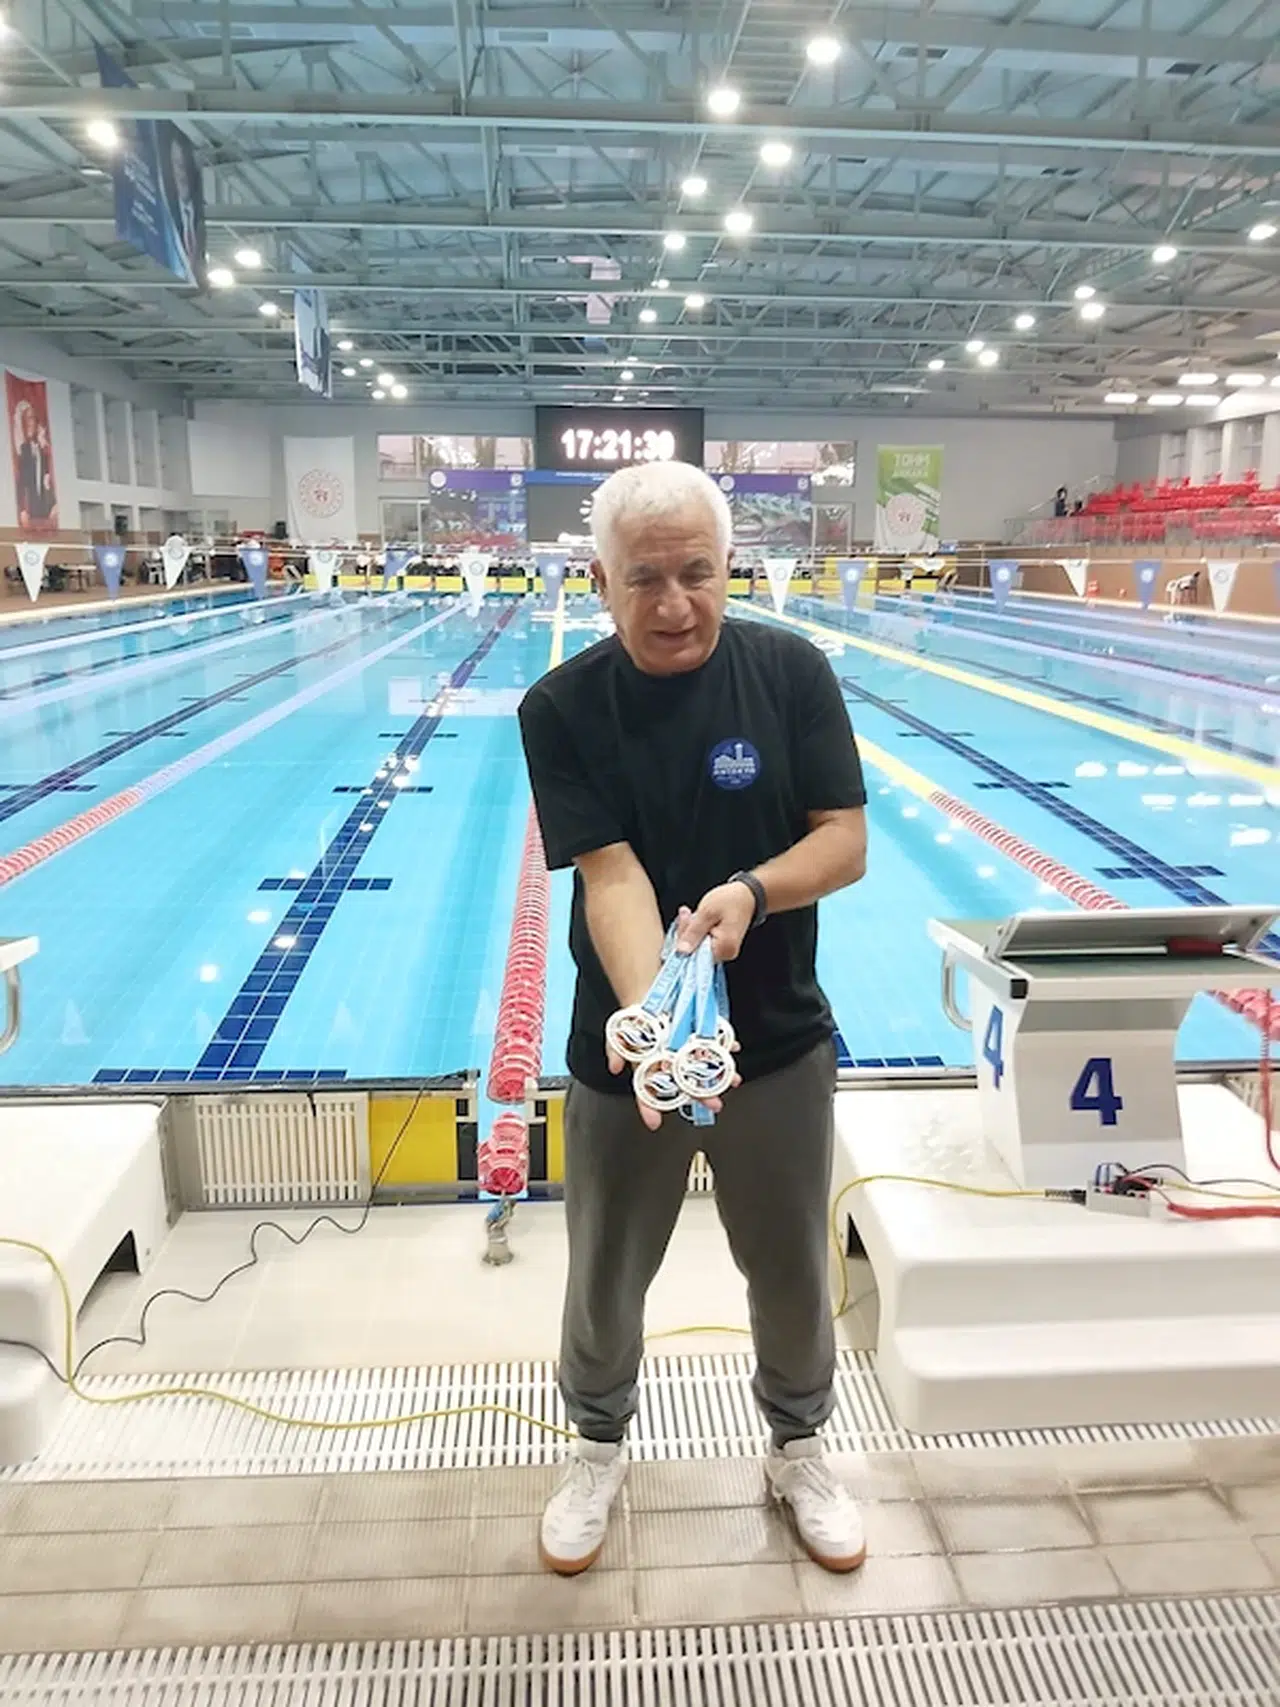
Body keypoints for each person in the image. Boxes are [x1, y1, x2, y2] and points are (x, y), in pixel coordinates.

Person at [518, 461, 869, 1579]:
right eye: (644, 579)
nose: (674, 604)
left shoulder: (790, 673)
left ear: (731, 569)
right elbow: (610, 874)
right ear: (599, 581)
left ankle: (799, 1446)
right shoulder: (561, 707)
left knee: (791, 1266)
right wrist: (656, 1029)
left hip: (777, 1041)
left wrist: (752, 893)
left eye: (697, 574)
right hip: (628, 1053)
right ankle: (595, 1447)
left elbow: (844, 839)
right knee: (605, 1270)